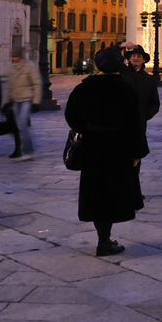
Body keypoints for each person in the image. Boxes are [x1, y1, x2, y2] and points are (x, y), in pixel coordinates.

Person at [65, 46, 145, 257]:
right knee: (113, 193)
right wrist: (137, 153)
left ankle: (103, 238)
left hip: (92, 148)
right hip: (119, 149)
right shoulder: (126, 90)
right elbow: (136, 124)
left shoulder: (83, 89)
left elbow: (72, 117)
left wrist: (87, 129)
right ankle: (105, 240)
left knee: (96, 192)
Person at [119, 44, 161, 147]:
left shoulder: (149, 80)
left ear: (143, 60)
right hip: (119, 122)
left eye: (139, 56)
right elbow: (110, 56)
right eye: (133, 56)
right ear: (129, 58)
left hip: (139, 124)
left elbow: (154, 103)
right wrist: (121, 46)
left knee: (136, 152)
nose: (136, 58)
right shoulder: (121, 75)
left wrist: (143, 116)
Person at [4, 47, 43, 160]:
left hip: (27, 99)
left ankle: (28, 150)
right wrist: (7, 101)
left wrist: (36, 102)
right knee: (20, 126)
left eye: (14, 56)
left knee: (22, 123)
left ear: (20, 57)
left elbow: (37, 84)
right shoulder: (12, 69)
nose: (12, 58)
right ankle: (26, 148)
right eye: (12, 56)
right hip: (16, 100)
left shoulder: (29, 67)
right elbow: (9, 86)